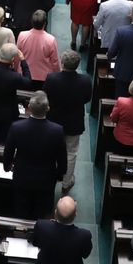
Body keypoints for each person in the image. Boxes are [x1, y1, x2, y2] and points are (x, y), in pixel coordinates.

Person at [3, 91, 66, 220]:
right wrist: (60, 174)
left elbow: (8, 152)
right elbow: (62, 158)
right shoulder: (57, 131)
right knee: (41, 213)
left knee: (21, 210)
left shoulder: (17, 127)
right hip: (46, 179)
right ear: (47, 109)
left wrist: (7, 167)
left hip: (22, 176)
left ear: (29, 108)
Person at [43, 50, 91, 194]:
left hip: (53, 122)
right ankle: (66, 182)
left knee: (51, 151)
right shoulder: (85, 80)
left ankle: (49, 178)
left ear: (62, 63)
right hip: (73, 122)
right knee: (71, 153)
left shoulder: (52, 78)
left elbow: (46, 96)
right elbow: (87, 99)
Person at [31, 196, 93, 264]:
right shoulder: (85, 236)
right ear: (75, 214)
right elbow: (85, 255)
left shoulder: (41, 226)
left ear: (55, 212)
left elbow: (35, 242)